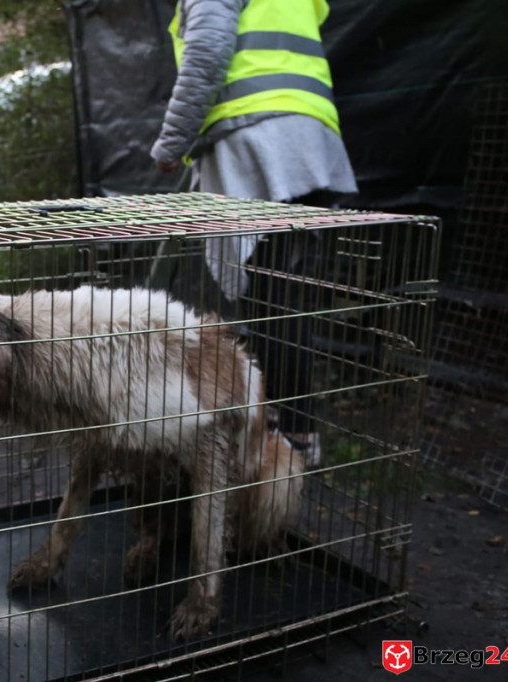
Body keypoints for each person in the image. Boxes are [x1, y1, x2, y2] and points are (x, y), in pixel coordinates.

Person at [151, 0, 358, 462]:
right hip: (308, 131)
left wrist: (172, 142)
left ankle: (290, 438)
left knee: (269, 296)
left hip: (257, 138)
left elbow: (208, 52)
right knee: (284, 289)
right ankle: (289, 431)